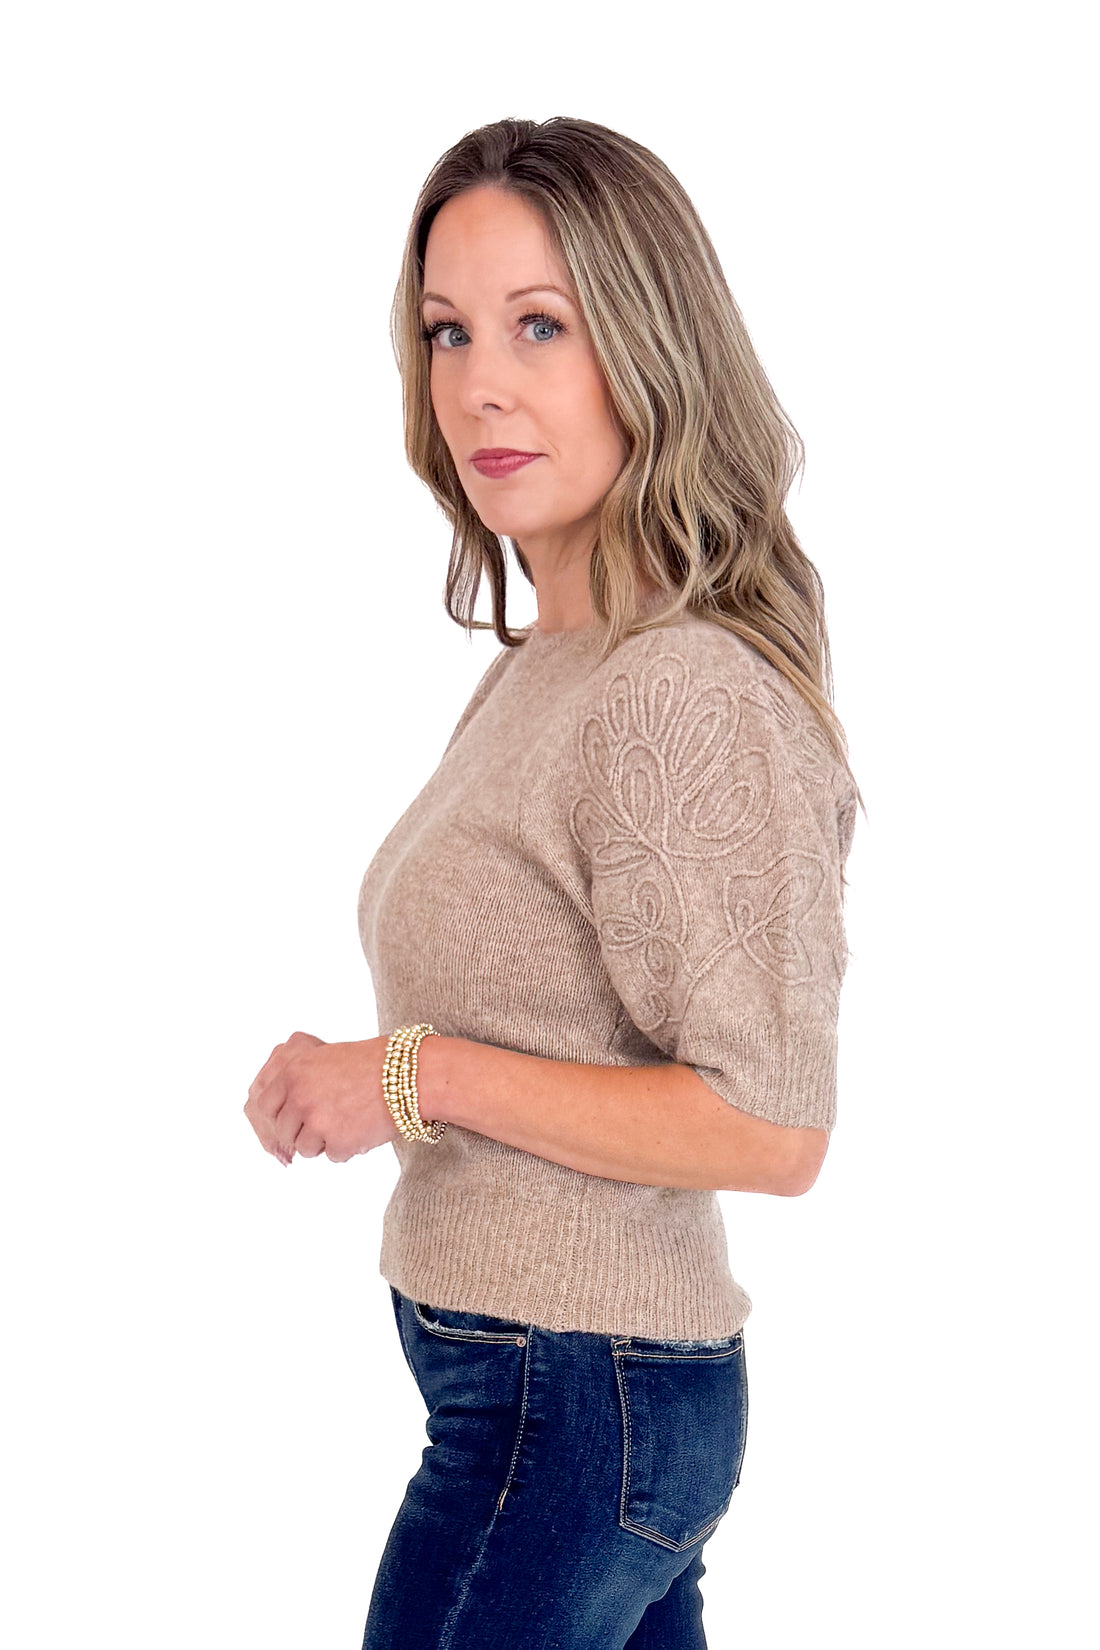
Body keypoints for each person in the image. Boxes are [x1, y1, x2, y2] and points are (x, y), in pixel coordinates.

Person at [244, 115, 862, 1650]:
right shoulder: (555, 670)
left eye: (541, 325)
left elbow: (769, 1123)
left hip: (572, 1408)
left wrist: (410, 1074)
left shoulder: (681, 693)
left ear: (646, 346)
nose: (478, 385)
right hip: (540, 1396)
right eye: (448, 330)